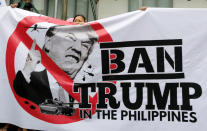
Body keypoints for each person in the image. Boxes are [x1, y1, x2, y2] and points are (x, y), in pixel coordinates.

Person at [13, 24, 98, 106]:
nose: (77, 48)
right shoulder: (30, 81)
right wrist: (28, 68)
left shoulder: (85, 92)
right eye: (70, 38)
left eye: (85, 45)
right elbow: (17, 93)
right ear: (48, 42)